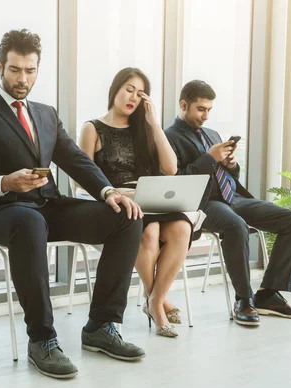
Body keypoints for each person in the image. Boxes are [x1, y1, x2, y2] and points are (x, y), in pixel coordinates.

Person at [0, 29, 146, 379]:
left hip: (46, 207)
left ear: (37, 69)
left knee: (126, 217)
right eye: (14, 70)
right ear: (0, 66)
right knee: (29, 223)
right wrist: (4, 182)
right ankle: (41, 339)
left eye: (29, 70)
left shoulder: (45, 113)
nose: (22, 78)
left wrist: (109, 193)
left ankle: (102, 326)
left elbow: (75, 159)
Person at [165, 79, 291, 326]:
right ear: (184, 105)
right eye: (201, 109)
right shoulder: (169, 137)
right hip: (203, 203)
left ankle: (267, 294)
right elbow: (177, 182)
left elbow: (228, 175)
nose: (206, 116)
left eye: (209, 110)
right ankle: (244, 299)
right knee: (236, 226)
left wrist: (231, 165)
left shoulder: (212, 134)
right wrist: (209, 158)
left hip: (233, 197)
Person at [79, 68, 204, 338]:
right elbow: (81, 179)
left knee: (182, 229)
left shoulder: (145, 129)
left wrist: (154, 124)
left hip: (152, 199)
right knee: (150, 232)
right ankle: (157, 304)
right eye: (128, 89)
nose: (133, 98)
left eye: (140, 93)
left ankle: (154, 300)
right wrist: (114, 193)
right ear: (115, 89)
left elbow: (170, 169)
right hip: (117, 203)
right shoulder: (92, 128)